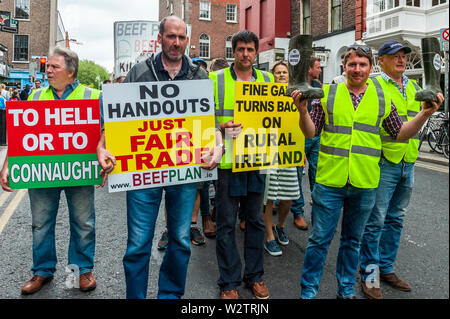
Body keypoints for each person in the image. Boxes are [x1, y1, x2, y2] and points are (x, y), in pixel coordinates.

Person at [291, 44, 443, 299]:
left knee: (352, 242)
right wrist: (303, 110)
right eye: (352, 64)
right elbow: (310, 132)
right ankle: (308, 292)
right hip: (330, 182)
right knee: (319, 241)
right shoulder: (328, 93)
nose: (357, 69)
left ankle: (346, 291)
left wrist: (426, 114)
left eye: (362, 65)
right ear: (344, 66)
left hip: (365, 183)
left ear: (370, 67)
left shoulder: (381, 97)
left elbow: (400, 133)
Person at [96, 15, 224, 299]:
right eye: (171, 36)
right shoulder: (139, 72)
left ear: (187, 40)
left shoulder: (200, 75)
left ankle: (170, 296)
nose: (176, 43)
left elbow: (211, 124)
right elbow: (115, 122)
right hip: (143, 175)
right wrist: (102, 145)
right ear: (160, 38)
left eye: (181, 37)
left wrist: (219, 147)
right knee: (139, 243)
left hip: (184, 173)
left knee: (180, 240)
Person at [0, 46, 102, 295]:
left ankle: (82, 271)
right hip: (43, 171)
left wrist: (103, 162)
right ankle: (42, 271)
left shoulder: (92, 95)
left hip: (80, 170)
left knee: (83, 222)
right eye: (48, 67)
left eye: (54, 67)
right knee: (41, 223)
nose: (48, 71)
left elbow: (105, 133)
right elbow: (21, 136)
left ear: (71, 70)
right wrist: (7, 166)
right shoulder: (34, 96)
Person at [209, 30, 274, 300]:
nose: (245, 54)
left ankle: (255, 277)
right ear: (232, 51)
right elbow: (202, 116)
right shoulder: (216, 79)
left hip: (256, 160)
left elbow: (276, 117)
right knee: (225, 223)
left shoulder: (269, 80)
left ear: (256, 52)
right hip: (226, 162)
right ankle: (229, 282)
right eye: (240, 49)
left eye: (250, 49)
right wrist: (220, 128)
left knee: (256, 221)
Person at [359, 40, 426, 299]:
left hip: (408, 161)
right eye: (393, 56)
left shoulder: (416, 87)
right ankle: (370, 275)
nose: (400, 60)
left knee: (396, 218)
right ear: (381, 61)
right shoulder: (373, 86)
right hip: (384, 161)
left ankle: (386, 268)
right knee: (375, 221)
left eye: (403, 56)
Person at [262, 60, 300, 257]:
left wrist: (300, 151)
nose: (282, 75)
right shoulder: (263, 94)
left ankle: (280, 226)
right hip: (267, 150)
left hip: (288, 150)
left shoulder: (296, 96)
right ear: (272, 75)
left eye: (285, 72)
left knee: (289, 195)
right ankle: (269, 235)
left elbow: (301, 123)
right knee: (268, 196)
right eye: (278, 72)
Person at [290, 56, 323, 230]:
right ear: (309, 69)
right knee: (296, 175)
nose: (320, 70)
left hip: (316, 136)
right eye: (318, 67)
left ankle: (318, 211)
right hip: (299, 135)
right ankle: (298, 212)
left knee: (316, 173)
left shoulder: (318, 86)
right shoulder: (295, 87)